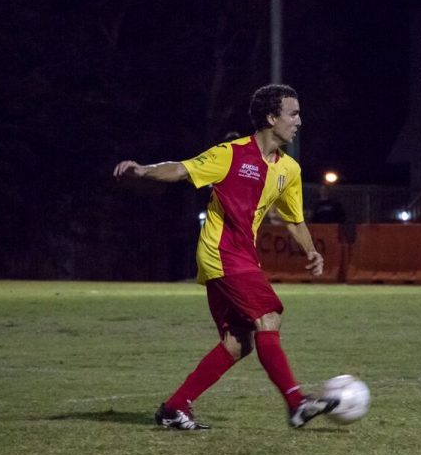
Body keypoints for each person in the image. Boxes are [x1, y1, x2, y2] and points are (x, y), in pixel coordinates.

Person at [113, 84, 338, 430]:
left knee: (238, 343)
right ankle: (296, 403)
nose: (299, 121)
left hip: (241, 256)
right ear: (270, 117)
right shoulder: (231, 154)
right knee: (268, 317)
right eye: (292, 114)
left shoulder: (289, 169)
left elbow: (294, 220)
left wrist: (311, 251)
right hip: (222, 252)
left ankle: (174, 407)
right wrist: (144, 170)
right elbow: (182, 169)